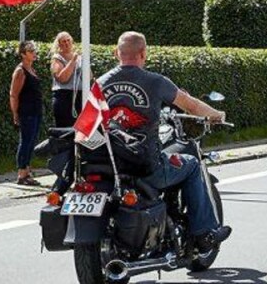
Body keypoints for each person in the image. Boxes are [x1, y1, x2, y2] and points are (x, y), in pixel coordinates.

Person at [97, 31, 231, 251]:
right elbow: (192, 106)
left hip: (109, 164)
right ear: (143, 53)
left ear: (116, 53)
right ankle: (204, 233)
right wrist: (217, 115)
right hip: (145, 165)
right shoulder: (155, 82)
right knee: (191, 165)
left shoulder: (99, 84)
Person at [8, 41, 43, 186]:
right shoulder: (20, 71)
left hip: (35, 110)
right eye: (30, 51)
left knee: (31, 141)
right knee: (25, 141)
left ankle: (27, 171)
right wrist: (15, 113)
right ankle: (22, 173)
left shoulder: (32, 70)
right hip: (26, 111)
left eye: (34, 50)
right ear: (23, 54)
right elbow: (13, 94)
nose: (34, 53)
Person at [50, 32, 83, 128]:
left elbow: (88, 78)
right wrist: (72, 61)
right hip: (64, 97)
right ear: (59, 44)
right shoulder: (57, 58)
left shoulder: (80, 58)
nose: (67, 43)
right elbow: (63, 78)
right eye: (63, 41)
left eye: (68, 40)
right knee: (65, 130)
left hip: (79, 97)